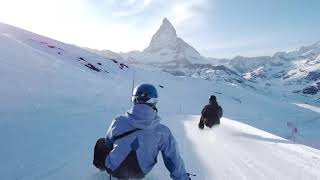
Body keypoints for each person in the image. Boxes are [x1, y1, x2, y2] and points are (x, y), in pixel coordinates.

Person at [96, 83, 190, 180]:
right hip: (139, 173)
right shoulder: (163, 132)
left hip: (114, 169)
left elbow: (108, 143)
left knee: (101, 142)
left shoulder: (118, 121)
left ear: (135, 99)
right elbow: (173, 160)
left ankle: (103, 173)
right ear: (154, 102)